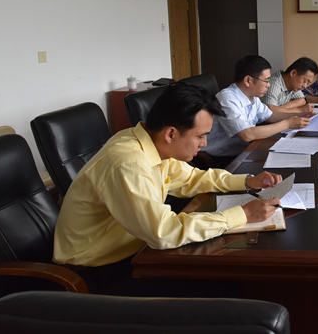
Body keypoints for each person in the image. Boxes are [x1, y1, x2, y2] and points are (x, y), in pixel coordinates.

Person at [53, 82, 282, 293]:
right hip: (100, 272)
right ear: (171, 133)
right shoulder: (128, 163)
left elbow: (191, 178)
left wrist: (246, 181)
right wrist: (241, 215)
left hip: (137, 249)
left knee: (226, 276)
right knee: (224, 285)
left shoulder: (150, 143)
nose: (204, 144)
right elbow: (163, 232)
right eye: (200, 136)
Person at [203, 55, 311, 158]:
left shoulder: (252, 97)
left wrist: (300, 115)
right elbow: (246, 135)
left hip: (245, 150)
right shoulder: (227, 99)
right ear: (248, 80)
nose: (268, 85)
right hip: (222, 158)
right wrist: (288, 123)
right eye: (266, 80)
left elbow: (271, 115)